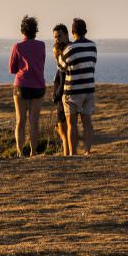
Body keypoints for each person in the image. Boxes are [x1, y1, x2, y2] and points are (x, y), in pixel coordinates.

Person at [8, 15, 46, 157]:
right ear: (35, 30)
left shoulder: (18, 46)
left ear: (22, 31)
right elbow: (41, 64)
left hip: (21, 86)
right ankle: (33, 152)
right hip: (38, 85)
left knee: (20, 120)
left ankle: (20, 152)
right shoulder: (41, 45)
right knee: (34, 121)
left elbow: (12, 69)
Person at [61, 17, 97, 155]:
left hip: (73, 90)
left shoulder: (70, 48)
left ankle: (73, 153)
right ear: (85, 31)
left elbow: (61, 66)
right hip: (89, 88)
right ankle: (87, 151)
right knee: (87, 123)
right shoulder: (93, 46)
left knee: (72, 124)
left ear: (72, 31)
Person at [51, 23, 76, 156]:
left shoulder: (66, 52)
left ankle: (67, 156)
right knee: (67, 129)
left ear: (66, 35)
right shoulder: (63, 50)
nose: (57, 39)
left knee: (64, 130)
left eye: (59, 36)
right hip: (65, 94)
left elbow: (63, 76)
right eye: (55, 37)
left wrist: (57, 94)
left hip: (64, 96)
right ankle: (70, 154)